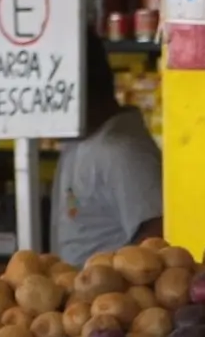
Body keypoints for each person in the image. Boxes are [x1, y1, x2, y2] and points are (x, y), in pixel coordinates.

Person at [48, 51, 161, 263]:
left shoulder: (121, 152)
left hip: (109, 292)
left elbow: (155, 235)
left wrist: (114, 281)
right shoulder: (79, 141)